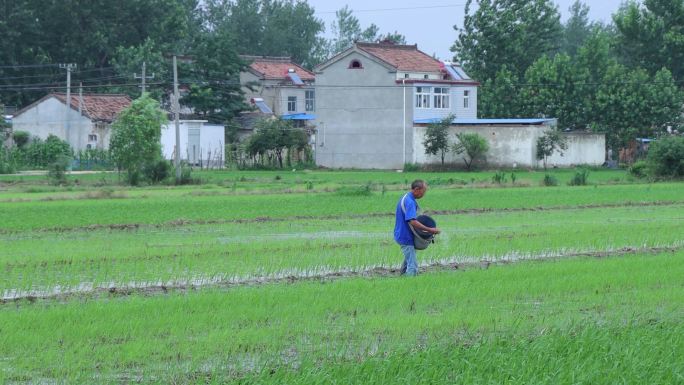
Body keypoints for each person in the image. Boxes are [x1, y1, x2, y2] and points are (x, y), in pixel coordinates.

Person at [394, 179, 440, 276]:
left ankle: (402, 277)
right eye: (424, 191)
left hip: (402, 233)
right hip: (405, 236)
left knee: (409, 259)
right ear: (417, 189)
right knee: (413, 267)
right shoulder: (410, 202)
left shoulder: (406, 197)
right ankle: (409, 284)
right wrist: (430, 229)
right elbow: (413, 221)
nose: (424, 194)